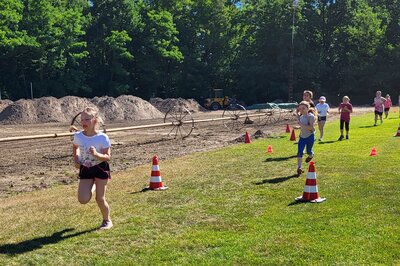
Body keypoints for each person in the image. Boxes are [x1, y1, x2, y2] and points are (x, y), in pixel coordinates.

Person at [73, 107, 113, 230]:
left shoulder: (102, 137)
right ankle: (94, 185)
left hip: (100, 168)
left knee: (100, 199)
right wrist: (76, 159)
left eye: (87, 119)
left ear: (95, 120)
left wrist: (96, 155)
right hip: (86, 168)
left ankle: (107, 221)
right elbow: (75, 147)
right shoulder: (78, 136)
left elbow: (108, 157)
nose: (83, 122)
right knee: (83, 199)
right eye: (82, 120)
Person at [296, 101, 317, 176]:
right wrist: (298, 127)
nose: (301, 110)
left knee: (308, 151)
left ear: (308, 108)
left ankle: (311, 155)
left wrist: (301, 124)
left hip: (310, 137)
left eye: (303, 108)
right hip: (302, 137)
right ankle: (299, 167)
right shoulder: (301, 117)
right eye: (300, 109)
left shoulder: (311, 116)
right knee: (299, 152)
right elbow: (303, 127)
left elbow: (311, 128)